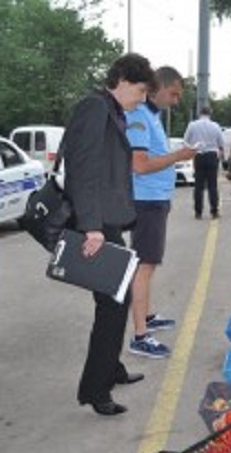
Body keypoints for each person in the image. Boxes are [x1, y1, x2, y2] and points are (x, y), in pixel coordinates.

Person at [62, 53, 155, 416]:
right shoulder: (95, 107)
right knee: (113, 304)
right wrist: (92, 228)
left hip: (106, 221)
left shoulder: (110, 109)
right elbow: (82, 169)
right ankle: (96, 390)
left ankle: (110, 369)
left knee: (117, 299)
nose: (143, 98)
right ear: (122, 79)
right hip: (96, 224)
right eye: (141, 90)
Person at [126, 66, 197, 359]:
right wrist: (178, 156)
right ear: (158, 88)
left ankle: (147, 316)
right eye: (174, 94)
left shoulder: (150, 116)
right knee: (144, 266)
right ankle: (140, 335)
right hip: (146, 201)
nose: (176, 101)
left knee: (149, 264)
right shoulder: (139, 117)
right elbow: (139, 165)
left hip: (155, 199)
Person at [184, 106, 225, 219]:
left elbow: (185, 141)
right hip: (212, 156)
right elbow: (221, 143)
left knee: (198, 185)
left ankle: (198, 212)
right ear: (210, 113)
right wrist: (221, 154)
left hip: (199, 155)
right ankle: (214, 211)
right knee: (213, 185)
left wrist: (193, 148)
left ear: (199, 113)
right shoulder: (216, 126)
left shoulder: (192, 125)